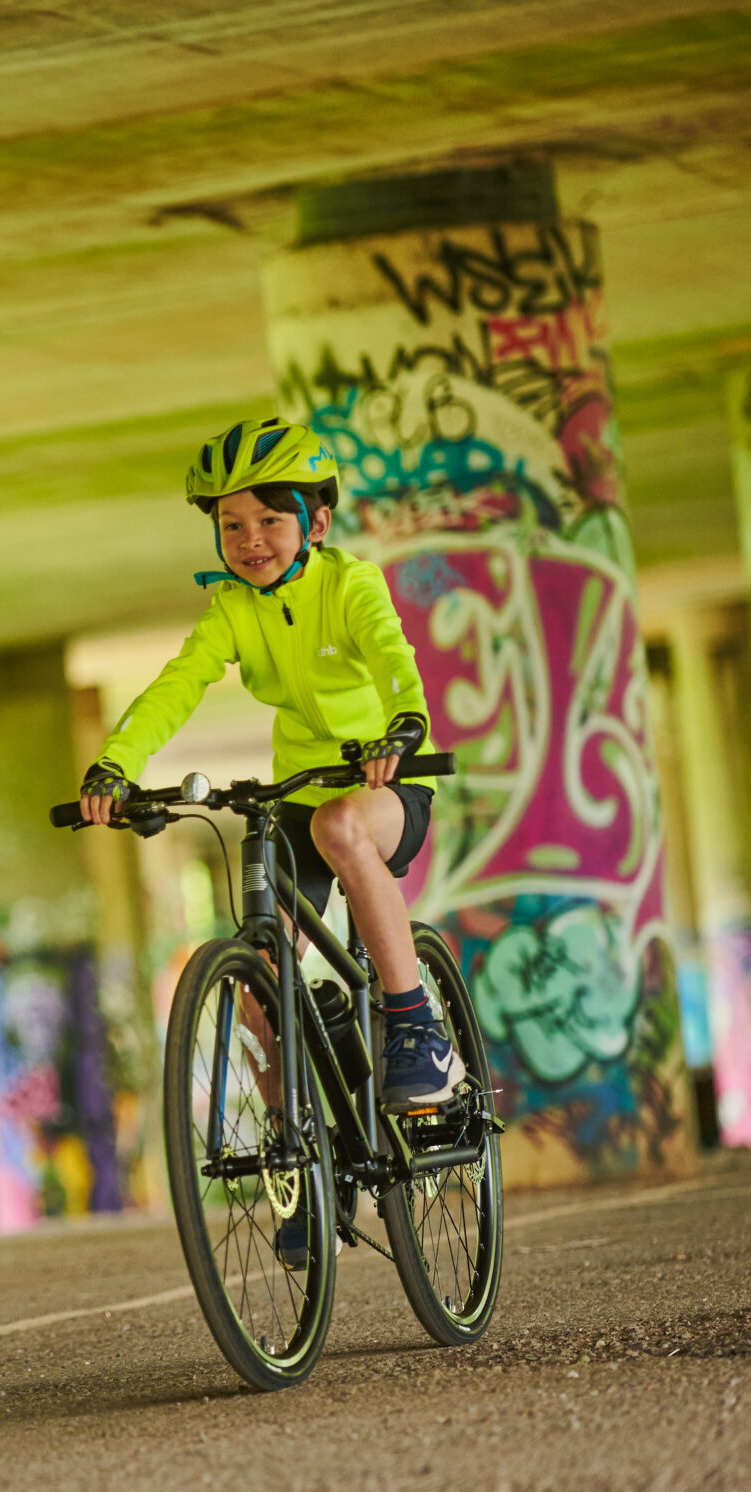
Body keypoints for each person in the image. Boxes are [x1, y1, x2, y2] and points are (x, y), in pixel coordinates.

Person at [79, 418, 463, 1107]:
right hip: (301, 795)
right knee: (259, 985)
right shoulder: (233, 610)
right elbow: (176, 685)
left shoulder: (351, 587)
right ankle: (301, 1177)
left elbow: (393, 658)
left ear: (315, 524)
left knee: (340, 828)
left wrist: (405, 727)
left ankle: (415, 1027)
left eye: (268, 519)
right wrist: (114, 765)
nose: (249, 539)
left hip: (382, 783)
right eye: (231, 525)